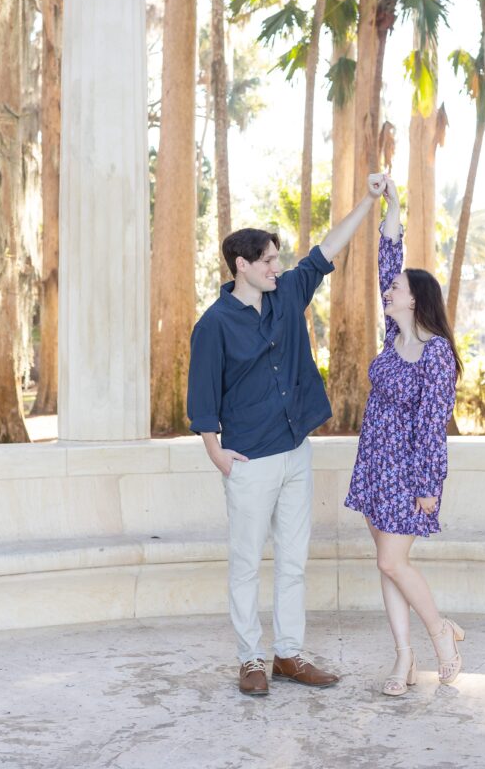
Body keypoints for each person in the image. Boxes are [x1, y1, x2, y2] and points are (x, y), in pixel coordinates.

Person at [187, 173, 387, 696]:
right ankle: (251, 659)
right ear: (242, 267)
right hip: (249, 460)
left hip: (297, 450)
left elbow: (328, 247)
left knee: (294, 560)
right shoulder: (213, 325)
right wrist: (219, 456)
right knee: (247, 562)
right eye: (269, 261)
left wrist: (367, 199)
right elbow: (203, 401)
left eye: (278, 259)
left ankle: (289, 655)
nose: (279, 267)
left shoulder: (288, 293)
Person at [344, 176, 465, 696]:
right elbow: (388, 255)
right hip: (374, 464)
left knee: (393, 560)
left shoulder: (436, 354)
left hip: (409, 471)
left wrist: (428, 485)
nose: (388, 288)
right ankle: (403, 659)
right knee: (386, 564)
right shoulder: (393, 337)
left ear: (415, 301)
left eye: (396, 288)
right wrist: (392, 202)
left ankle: (441, 633)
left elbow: (433, 427)